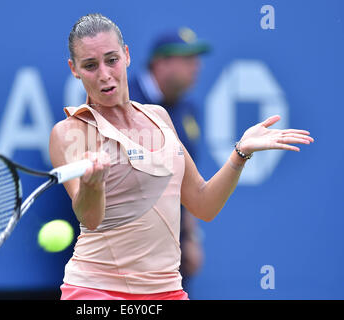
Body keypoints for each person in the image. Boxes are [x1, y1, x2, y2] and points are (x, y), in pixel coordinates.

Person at [49, 13, 313, 300]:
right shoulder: (69, 132)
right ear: (74, 69)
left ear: (126, 55)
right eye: (90, 65)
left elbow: (203, 204)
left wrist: (240, 154)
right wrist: (92, 184)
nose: (104, 74)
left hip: (168, 291)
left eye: (111, 59)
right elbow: (90, 218)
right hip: (98, 291)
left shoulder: (160, 116)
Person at [128, 27, 211, 285]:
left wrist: (190, 238)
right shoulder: (123, 101)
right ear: (160, 63)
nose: (196, 67)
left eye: (197, 59)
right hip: (126, 246)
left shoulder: (189, 111)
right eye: (186, 59)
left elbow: (186, 181)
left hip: (171, 247)